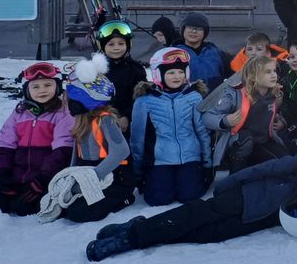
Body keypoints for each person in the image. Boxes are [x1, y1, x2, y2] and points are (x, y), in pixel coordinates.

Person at [86, 127, 297, 262]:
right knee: (196, 215)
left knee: (208, 234)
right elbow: (270, 167)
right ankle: (129, 238)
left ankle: (138, 227)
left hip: (270, 217)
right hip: (254, 196)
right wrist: (231, 182)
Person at [38, 55, 135, 223]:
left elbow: (122, 151)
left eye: (71, 98)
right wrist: (71, 176)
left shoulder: (106, 119)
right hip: (90, 172)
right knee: (64, 206)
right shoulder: (81, 121)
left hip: (115, 177)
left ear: (84, 99)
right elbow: (77, 155)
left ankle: (125, 198)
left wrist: (94, 176)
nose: (67, 102)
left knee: (79, 213)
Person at [0, 62, 75, 216]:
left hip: (42, 182)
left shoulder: (63, 114)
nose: (42, 90)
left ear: (57, 87)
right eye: (36, 87)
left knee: (19, 207)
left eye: (48, 85)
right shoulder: (20, 114)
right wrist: (2, 174)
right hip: (16, 178)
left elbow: (63, 151)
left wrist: (42, 180)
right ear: (27, 90)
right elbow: (4, 144)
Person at [130, 48, 212, 206]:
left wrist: (207, 163)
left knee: (190, 197)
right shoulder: (145, 101)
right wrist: (138, 170)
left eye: (180, 72)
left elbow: (202, 132)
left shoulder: (193, 97)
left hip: (189, 157)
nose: (177, 77)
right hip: (160, 159)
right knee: (158, 199)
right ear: (158, 74)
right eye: (171, 73)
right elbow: (137, 138)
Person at [201, 54, 287, 173]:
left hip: (263, 142)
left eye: (274, 71)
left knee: (285, 162)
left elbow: (277, 114)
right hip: (239, 145)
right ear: (252, 76)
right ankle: (236, 174)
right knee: (245, 139)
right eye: (268, 72)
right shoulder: (234, 93)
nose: (274, 75)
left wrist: (281, 122)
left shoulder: (275, 93)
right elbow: (207, 117)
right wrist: (225, 120)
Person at [94, 20, 146, 129]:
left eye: (121, 43)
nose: (116, 48)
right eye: (111, 44)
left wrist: (127, 117)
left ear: (128, 44)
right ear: (102, 46)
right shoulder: (96, 70)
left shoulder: (135, 69)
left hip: (129, 123)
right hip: (102, 121)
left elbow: (141, 98)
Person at [178, 12, 231, 88]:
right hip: (187, 97)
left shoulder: (216, 52)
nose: (194, 31)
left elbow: (235, 69)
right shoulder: (172, 53)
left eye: (199, 29)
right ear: (183, 29)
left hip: (214, 96)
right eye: (190, 27)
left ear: (204, 33)